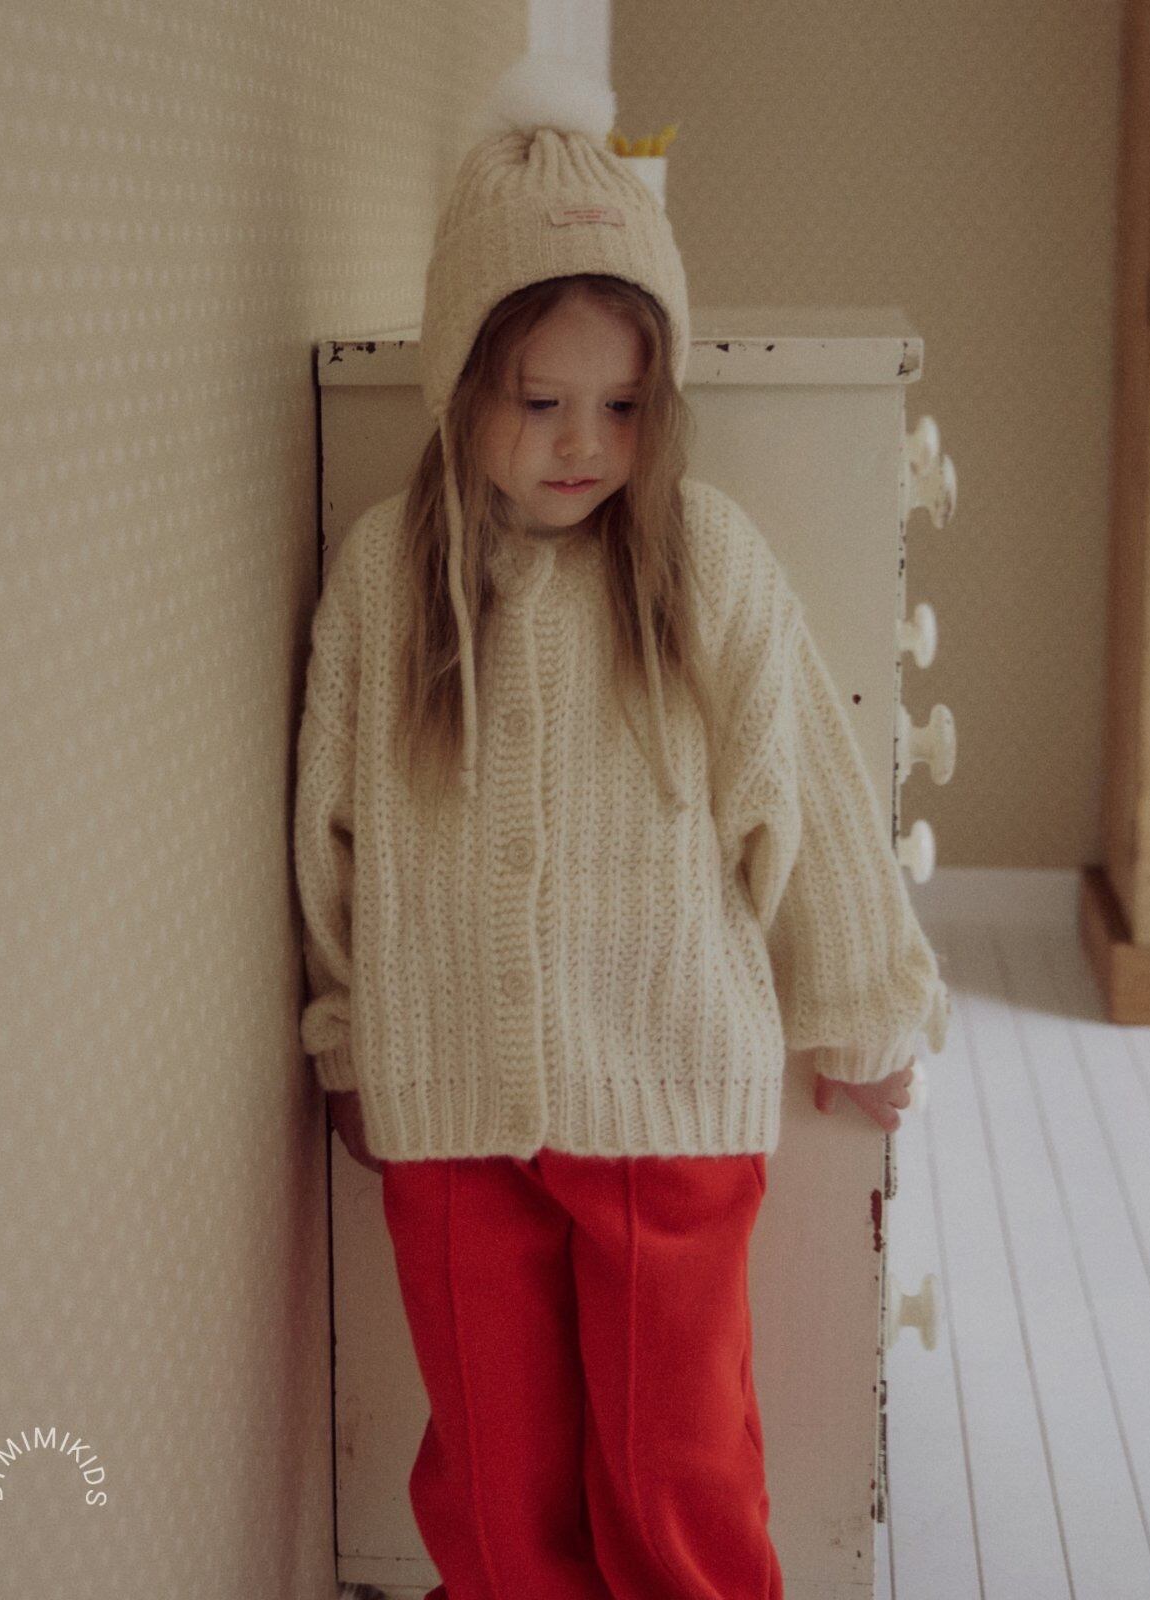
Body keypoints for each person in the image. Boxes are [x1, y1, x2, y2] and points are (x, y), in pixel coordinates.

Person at [293, 51, 950, 1600]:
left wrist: (867, 1007)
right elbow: (330, 828)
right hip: (451, 1109)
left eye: (625, 405)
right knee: (494, 1481)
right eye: (540, 402)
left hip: (669, 1099)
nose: (583, 441)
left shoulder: (702, 558)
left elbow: (811, 791)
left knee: (676, 1471)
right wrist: (348, 1037)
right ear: (461, 382)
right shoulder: (389, 575)